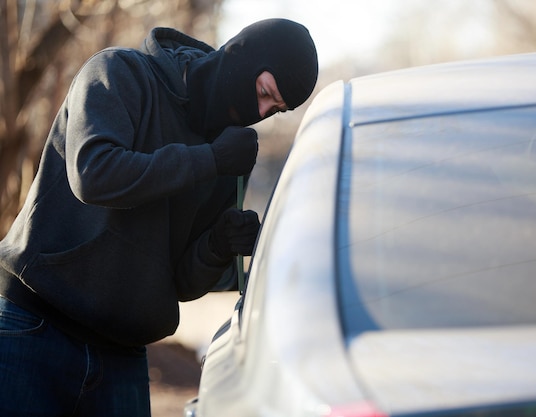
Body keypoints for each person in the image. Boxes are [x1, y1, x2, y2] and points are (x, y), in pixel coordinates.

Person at [0, 18, 318, 416]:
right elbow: (94, 175)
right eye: (264, 92)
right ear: (240, 54)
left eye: (276, 109)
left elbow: (180, 282)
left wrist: (218, 245)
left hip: (124, 358)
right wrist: (209, 160)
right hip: (34, 329)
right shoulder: (118, 72)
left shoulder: (227, 151)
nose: (261, 112)